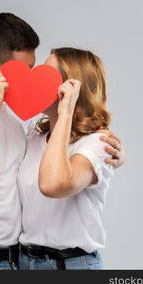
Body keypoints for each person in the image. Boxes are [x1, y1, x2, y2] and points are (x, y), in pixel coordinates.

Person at [0, 13, 125, 271]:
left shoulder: (20, 118)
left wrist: (113, 155)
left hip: (22, 261)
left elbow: (56, 175)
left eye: (43, 75)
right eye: (29, 72)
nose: (32, 83)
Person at [18, 47, 118, 270]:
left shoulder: (98, 144)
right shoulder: (33, 136)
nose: (36, 83)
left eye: (47, 76)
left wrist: (65, 113)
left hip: (70, 265)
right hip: (24, 261)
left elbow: (53, 185)